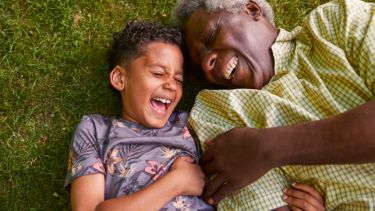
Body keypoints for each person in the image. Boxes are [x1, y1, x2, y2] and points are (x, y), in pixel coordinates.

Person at [171, 0, 375, 210]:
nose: (207, 64)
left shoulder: (335, 22)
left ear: (252, 10)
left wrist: (268, 147)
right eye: (199, 63)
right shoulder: (218, 112)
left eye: (211, 36)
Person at [64, 20, 214, 211]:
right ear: (120, 79)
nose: (171, 85)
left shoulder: (191, 123)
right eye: (159, 73)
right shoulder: (95, 131)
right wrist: (177, 182)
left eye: (179, 79)